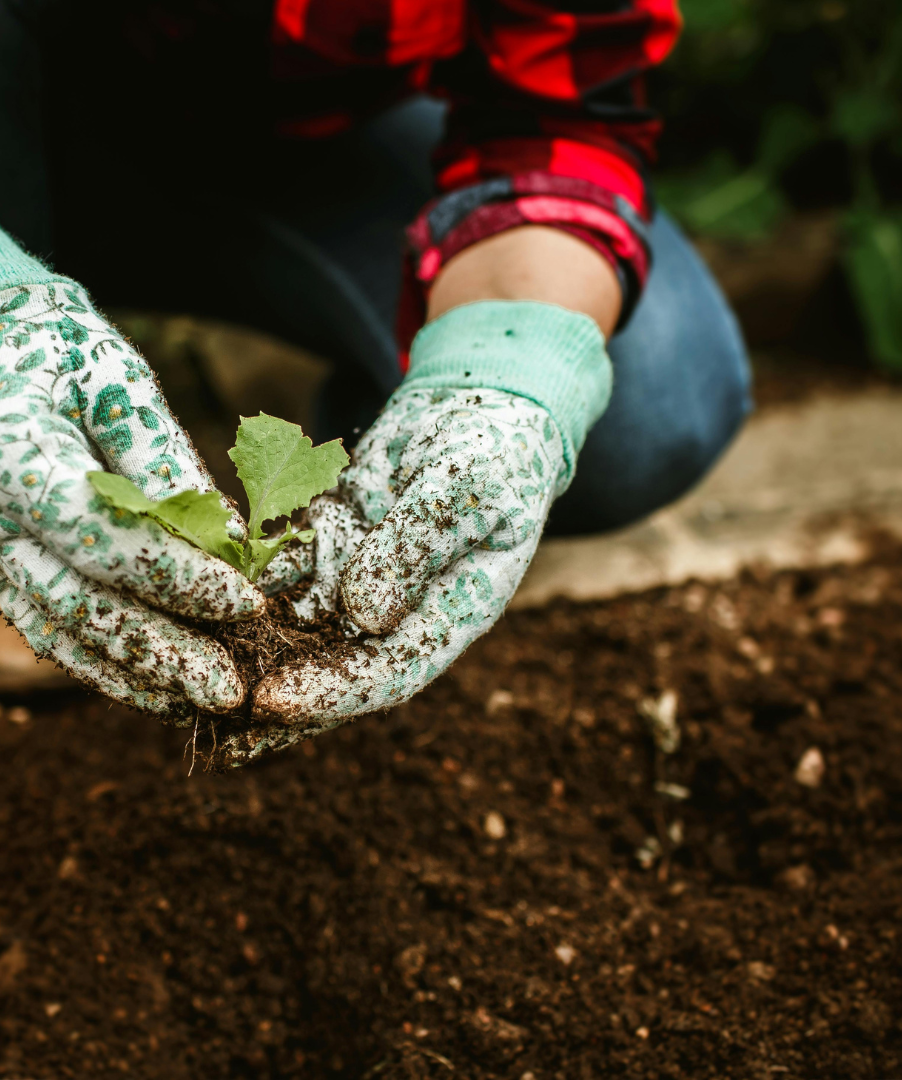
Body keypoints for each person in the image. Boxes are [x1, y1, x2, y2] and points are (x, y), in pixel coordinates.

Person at [0, 0, 751, 760]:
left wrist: (508, 375)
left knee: (644, 404)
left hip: (296, 147)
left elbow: (561, 114)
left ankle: (363, 453)